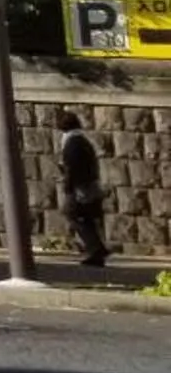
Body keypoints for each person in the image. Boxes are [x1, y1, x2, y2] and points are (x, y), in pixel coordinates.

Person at [56, 110, 107, 267]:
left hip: (80, 187)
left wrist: (68, 185)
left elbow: (72, 166)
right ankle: (96, 250)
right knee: (85, 217)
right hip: (88, 185)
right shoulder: (81, 139)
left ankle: (96, 248)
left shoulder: (72, 142)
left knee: (73, 214)